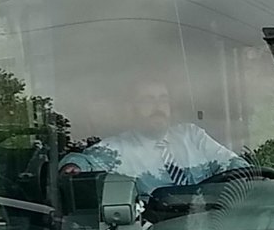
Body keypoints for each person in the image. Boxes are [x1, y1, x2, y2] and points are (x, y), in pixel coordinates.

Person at [92, 78, 248, 196]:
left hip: (212, 226)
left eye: (163, 99)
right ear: (131, 108)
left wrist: (248, 175)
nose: (158, 106)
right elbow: (83, 164)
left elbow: (231, 163)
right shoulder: (116, 149)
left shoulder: (191, 135)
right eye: (148, 100)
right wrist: (74, 166)